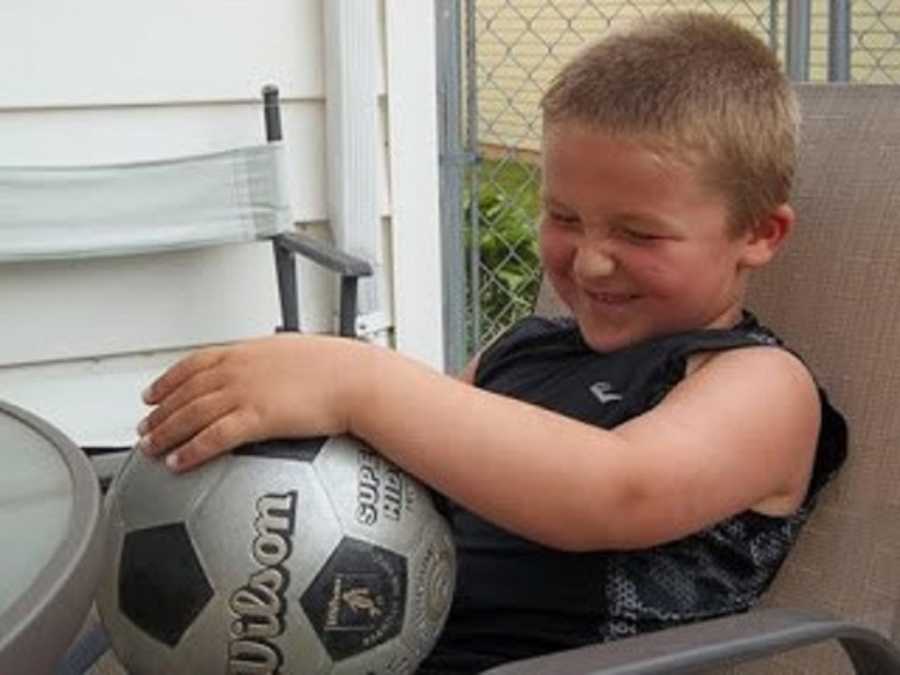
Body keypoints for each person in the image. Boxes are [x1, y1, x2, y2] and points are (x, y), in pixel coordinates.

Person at [136, 11, 847, 674]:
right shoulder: (526, 348)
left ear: (758, 233)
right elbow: (414, 475)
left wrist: (357, 382)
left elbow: (616, 491)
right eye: (563, 215)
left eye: (638, 233)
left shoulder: (758, 382)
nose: (591, 260)